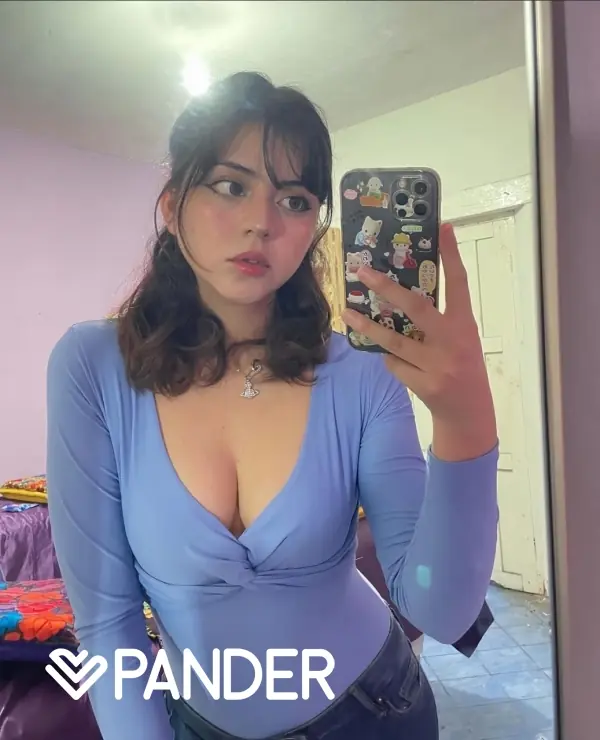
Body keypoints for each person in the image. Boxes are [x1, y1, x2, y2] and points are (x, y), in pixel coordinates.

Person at [46, 72, 499, 740]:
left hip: (375, 711)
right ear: (172, 207)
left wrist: (466, 422)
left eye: (293, 199)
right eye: (231, 186)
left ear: (314, 226)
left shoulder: (359, 373)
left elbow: (439, 608)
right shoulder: (92, 368)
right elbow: (108, 623)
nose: (262, 220)